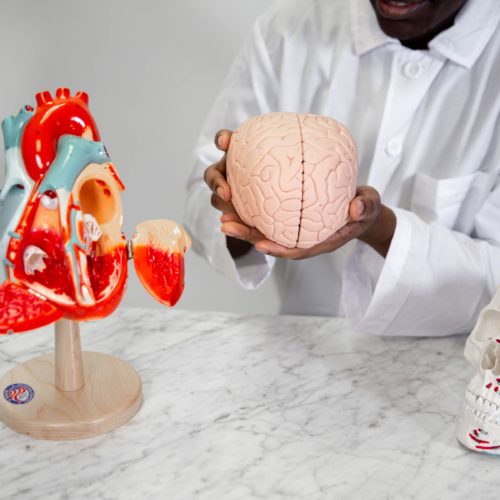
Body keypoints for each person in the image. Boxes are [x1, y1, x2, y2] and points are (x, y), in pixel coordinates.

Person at [184, 0, 500, 336]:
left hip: (457, 369)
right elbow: (200, 198)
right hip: (299, 350)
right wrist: (241, 207)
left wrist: (381, 231)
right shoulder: (287, 30)